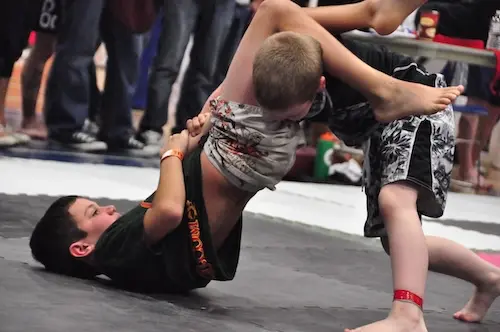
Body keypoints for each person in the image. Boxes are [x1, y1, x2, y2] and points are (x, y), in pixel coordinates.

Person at [29, 0, 463, 303]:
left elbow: (188, 221)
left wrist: (193, 140)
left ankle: (373, 15)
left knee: (279, 23)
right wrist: (172, 152)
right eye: (92, 214)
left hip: (242, 159)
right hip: (236, 151)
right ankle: (381, 70)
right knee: (274, 12)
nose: (106, 207)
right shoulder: (114, 250)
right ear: (81, 249)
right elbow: (168, 212)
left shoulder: (137, 266)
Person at [302, 7, 500, 332]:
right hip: (377, 124)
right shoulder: (275, 62)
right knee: (399, 244)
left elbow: (372, 15)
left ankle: (407, 318)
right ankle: (489, 278)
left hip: (416, 100)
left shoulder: (301, 38)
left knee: (396, 203)